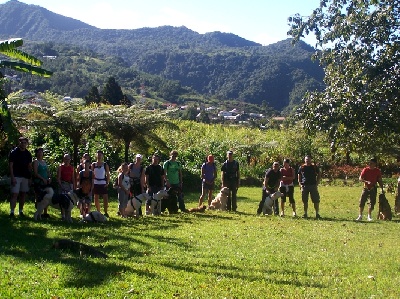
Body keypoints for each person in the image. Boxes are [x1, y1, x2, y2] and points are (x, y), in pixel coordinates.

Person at [9, 137, 33, 218]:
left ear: (27, 144)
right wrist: (12, 177)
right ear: (19, 143)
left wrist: (30, 178)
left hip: (25, 176)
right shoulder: (14, 152)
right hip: (16, 176)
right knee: (14, 194)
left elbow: (30, 167)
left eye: (25, 143)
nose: (23, 144)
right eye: (22, 142)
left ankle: (21, 211)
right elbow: (11, 166)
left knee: (23, 194)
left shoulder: (28, 154)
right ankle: (12, 211)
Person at [298, 155, 321, 219]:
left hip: (313, 186)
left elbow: (319, 174)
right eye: (306, 160)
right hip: (304, 186)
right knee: (305, 200)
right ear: (304, 160)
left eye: (308, 159)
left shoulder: (314, 167)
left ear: (311, 160)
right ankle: (305, 213)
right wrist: (300, 184)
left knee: (316, 200)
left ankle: (317, 213)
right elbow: (299, 176)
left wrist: (317, 183)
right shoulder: (302, 167)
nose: (307, 161)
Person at [32, 147, 51, 218]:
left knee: (46, 197)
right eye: (38, 152)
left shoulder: (44, 162)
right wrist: (43, 179)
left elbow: (48, 172)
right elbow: (35, 173)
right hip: (39, 182)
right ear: (36, 153)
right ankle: (38, 212)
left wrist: (49, 178)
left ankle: (45, 213)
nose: (40, 154)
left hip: (45, 182)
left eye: (41, 152)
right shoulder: (36, 162)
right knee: (39, 197)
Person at [92, 150, 110, 217]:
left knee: (105, 198)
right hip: (96, 183)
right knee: (96, 197)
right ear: (96, 155)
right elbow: (92, 174)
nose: (99, 156)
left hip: (103, 182)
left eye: (100, 155)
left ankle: (105, 212)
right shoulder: (93, 164)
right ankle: (98, 211)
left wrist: (108, 182)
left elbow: (108, 174)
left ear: (102, 156)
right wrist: (92, 183)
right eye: (98, 155)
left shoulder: (105, 165)